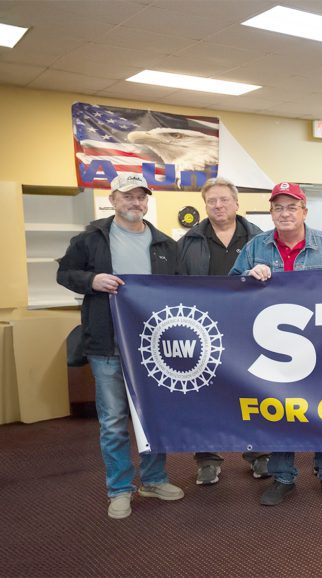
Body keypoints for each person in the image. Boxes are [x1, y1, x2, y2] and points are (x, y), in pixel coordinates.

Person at [57, 173, 184, 519]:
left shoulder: (164, 245)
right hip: (107, 344)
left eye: (141, 197)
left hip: (153, 346)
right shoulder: (90, 239)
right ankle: (119, 489)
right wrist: (91, 280)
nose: (135, 203)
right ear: (113, 199)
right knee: (113, 421)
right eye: (128, 196)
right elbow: (65, 274)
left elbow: (178, 290)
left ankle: (154, 479)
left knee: (152, 417)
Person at [230, 182, 322, 506]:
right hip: (274, 349)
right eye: (278, 208)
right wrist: (247, 278)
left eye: (291, 207)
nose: (285, 213)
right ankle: (283, 476)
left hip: (321, 344)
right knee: (281, 411)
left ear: (304, 211)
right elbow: (229, 290)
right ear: (271, 213)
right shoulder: (255, 247)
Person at [176, 176, 268, 485]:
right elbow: (175, 284)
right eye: (212, 201)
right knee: (204, 395)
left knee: (253, 391)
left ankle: (258, 453)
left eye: (224, 199)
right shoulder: (189, 242)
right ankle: (207, 459)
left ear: (237, 204)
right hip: (204, 330)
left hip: (249, 328)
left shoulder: (260, 238)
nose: (218, 205)